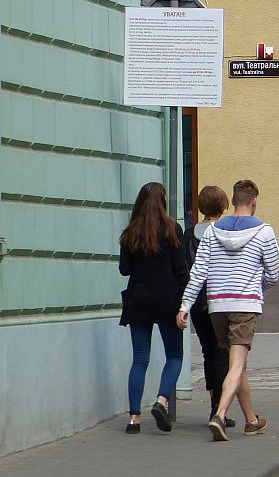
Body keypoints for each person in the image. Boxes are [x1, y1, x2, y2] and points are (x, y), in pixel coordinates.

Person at [177, 179, 279, 442]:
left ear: (233, 201)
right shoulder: (264, 232)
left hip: (217, 306)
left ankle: (251, 420)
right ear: (253, 202)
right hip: (244, 305)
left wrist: (185, 305)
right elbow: (273, 274)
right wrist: (256, 289)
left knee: (238, 364)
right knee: (236, 364)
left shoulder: (211, 232)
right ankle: (220, 415)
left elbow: (198, 272)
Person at [119, 182, 189, 434]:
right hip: (167, 300)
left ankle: (133, 420)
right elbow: (181, 268)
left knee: (140, 360)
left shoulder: (130, 234)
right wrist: (184, 303)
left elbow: (124, 269)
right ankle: (161, 401)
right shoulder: (172, 229)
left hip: (138, 300)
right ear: (163, 203)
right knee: (175, 356)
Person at [189, 185, 233, 428]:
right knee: (222, 352)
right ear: (221, 205)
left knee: (208, 351)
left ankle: (214, 404)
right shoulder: (224, 232)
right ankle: (219, 409)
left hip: (197, 302)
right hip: (218, 298)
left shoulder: (189, 234)